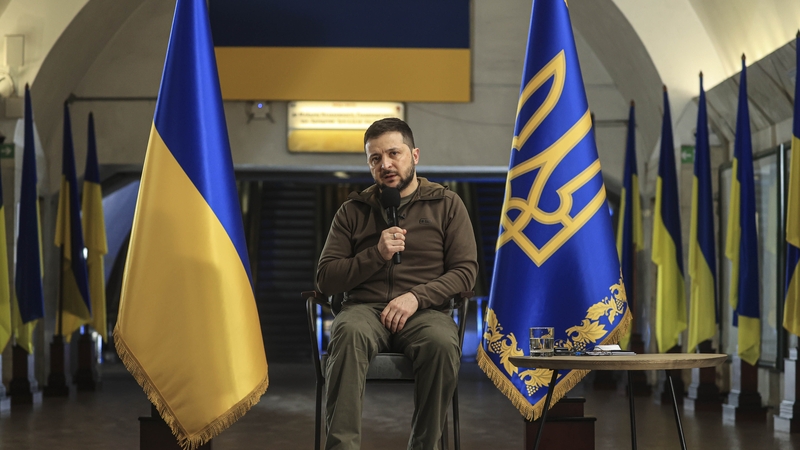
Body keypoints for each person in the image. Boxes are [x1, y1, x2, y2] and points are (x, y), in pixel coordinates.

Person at [316, 118, 478, 450]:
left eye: (394, 153)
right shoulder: (352, 211)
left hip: (425, 312)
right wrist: (375, 255)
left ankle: (424, 445)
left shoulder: (447, 204)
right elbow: (325, 277)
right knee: (347, 332)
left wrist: (416, 297)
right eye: (375, 158)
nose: (385, 164)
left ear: (414, 155)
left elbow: (465, 271)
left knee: (442, 343)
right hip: (364, 309)